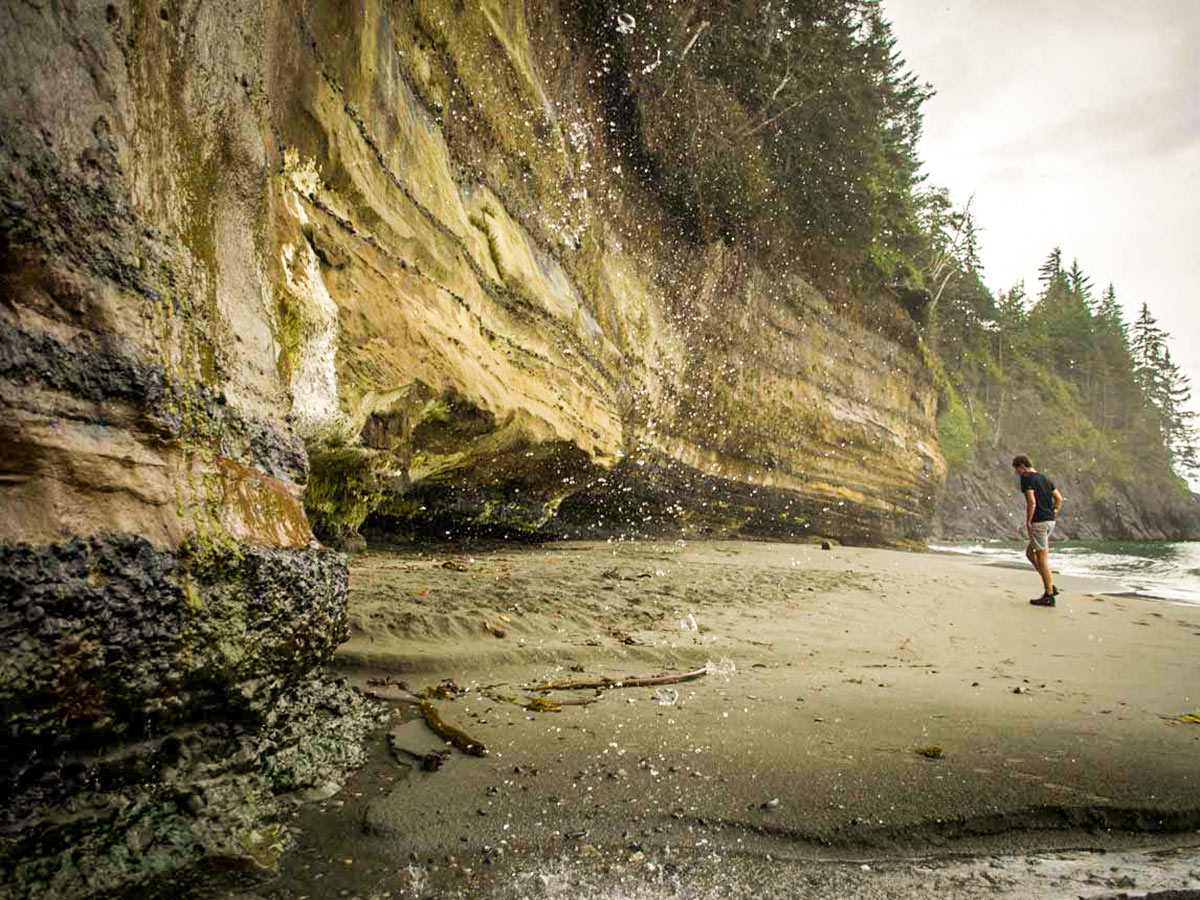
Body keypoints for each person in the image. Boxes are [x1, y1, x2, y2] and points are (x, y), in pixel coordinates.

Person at [1012, 455, 1064, 607]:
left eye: (1016, 470)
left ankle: (1049, 594)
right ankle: (1050, 585)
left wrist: (1028, 521)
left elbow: (1032, 502)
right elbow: (1059, 499)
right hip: (1050, 521)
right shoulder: (1044, 478)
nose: (1017, 473)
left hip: (1039, 522)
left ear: (1022, 466)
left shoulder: (1027, 478)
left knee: (1042, 558)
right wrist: (1053, 512)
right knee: (1030, 553)